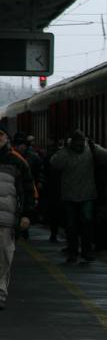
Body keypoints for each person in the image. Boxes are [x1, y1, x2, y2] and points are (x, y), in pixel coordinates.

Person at [49, 130, 107, 263]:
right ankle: (85, 251)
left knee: (72, 225)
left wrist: (64, 149)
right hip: (86, 194)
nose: (79, 146)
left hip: (71, 194)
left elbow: (54, 163)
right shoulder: (90, 149)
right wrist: (94, 146)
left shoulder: (69, 151)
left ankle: (73, 252)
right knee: (86, 224)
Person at [0, 125, 35, 310]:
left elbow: (29, 191)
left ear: (7, 138)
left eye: (1, 134)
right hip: (7, 218)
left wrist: (27, 215)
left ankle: (0, 294)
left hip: (7, 220)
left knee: (4, 257)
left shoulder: (18, 162)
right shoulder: (17, 161)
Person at [12, 133, 43, 240]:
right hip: (15, 187)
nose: (20, 147)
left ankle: (24, 229)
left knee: (24, 208)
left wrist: (38, 182)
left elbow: (38, 171)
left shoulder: (32, 157)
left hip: (25, 186)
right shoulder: (11, 156)